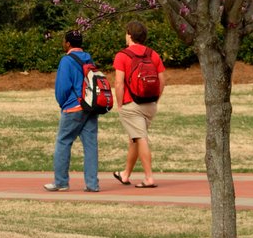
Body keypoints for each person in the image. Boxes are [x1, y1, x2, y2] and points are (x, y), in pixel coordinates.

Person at [44, 29, 101, 193]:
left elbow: (62, 88)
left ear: (68, 43)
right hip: (90, 106)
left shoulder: (66, 60)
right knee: (90, 145)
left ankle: (61, 182)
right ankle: (92, 184)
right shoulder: (88, 58)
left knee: (63, 142)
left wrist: (63, 104)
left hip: (73, 107)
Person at [112, 20, 165, 189]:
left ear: (129, 35)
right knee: (134, 138)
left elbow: (119, 83)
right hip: (150, 103)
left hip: (131, 103)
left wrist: (120, 104)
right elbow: (162, 81)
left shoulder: (122, 55)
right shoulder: (153, 54)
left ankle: (149, 177)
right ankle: (125, 174)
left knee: (140, 138)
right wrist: (156, 100)